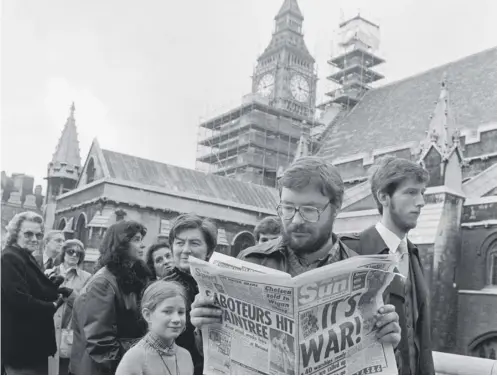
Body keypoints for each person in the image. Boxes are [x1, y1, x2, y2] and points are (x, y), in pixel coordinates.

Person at [190, 157, 401, 351]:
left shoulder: (367, 275)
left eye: (310, 210)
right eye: (288, 208)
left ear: (336, 208)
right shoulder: (251, 261)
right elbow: (216, 351)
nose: (296, 220)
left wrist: (389, 343)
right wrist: (204, 326)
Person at [341, 156, 435, 374]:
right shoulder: (352, 251)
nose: (421, 202)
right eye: (411, 192)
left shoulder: (412, 253)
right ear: (383, 197)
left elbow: (421, 337)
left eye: (422, 193)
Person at [69, 220, 151, 374]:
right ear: (121, 244)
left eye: (141, 240)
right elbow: (100, 344)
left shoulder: (132, 277)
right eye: (136, 240)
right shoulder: (103, 283)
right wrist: (142, 354)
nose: (142, 245)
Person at [1, 211, 68, 374]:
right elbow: (19, 300)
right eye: (28, 233)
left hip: (32, 342)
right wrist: (52, 305)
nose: (34, 239)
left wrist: (51, 284)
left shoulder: (25, 255)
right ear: (15, 234)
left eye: (38, 235)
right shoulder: (9, 257)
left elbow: (32, 287)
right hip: (22, 344)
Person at [164, 213, 218, 375]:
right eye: (179, 243)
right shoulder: (162, 288)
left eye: (194, 243)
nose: (186, 250)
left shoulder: (219, 285)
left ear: (208, 250)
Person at [116, 280, 194, 375]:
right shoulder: (135, 358)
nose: (176, 319)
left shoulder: (185, 356)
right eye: (167, 311)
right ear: (148, 315)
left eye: (181, 312)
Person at [45, 239, 92, 375]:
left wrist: (71, 294)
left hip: (69, 332)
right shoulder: (49, 273)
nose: (74, 255)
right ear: (63, 253)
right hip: (48, 327)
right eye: (71, 251)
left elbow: (86, 305)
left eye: (78, 254)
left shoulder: (87, 278)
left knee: (65, 368)